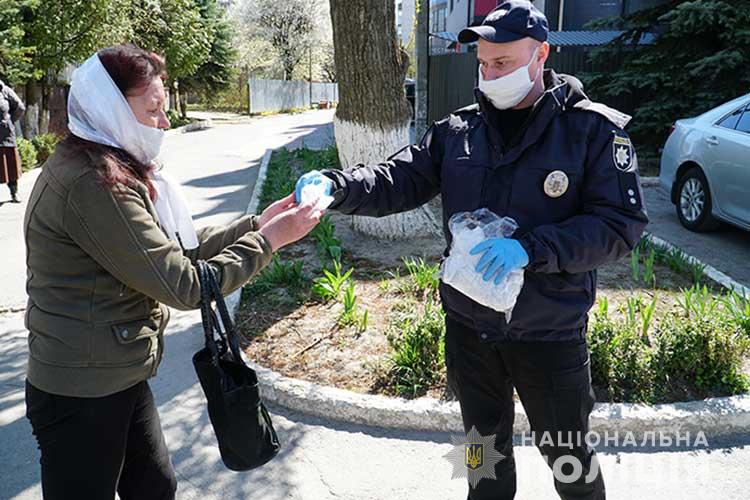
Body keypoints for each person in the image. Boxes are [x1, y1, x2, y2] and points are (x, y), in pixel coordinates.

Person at [295, 1, 648, 499]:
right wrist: (338, 185)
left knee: (569, 458)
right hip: (470, 329)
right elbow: (396, 178)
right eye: (483, 63)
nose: (489, 73)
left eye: (502, 63)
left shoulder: (590, 131)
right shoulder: (459, 131)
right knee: (482, 450)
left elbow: (620, 224)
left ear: (541, 54)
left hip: (549, 331)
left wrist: (530, 249)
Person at [23, 44, 322, 500]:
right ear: (112, 109)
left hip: (115, 373)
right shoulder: (95, 184)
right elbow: (183, 284)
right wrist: (271, 240)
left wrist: (257, 224)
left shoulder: (104, 163)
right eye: (154, 109)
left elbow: (177, 250)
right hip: (82, 392)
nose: (165, 122)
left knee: (155, 489)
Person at [0, 75, 26, 203]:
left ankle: (14, 192)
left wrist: (10, 121)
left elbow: (20, 107)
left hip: (5, 134)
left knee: (10, 166)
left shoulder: (5, 90)